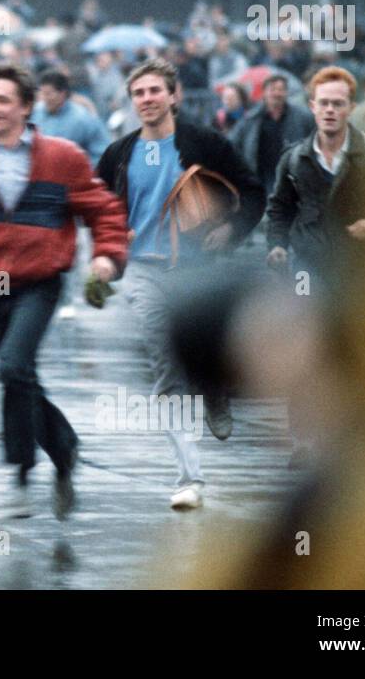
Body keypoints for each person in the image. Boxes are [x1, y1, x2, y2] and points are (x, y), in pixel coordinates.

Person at [0, 64, 129, 518]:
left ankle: (20, 469)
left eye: (2, 101)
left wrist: (106, 256)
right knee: (21, 375)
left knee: (14, 365)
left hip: (42, 281)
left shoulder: (63, 157)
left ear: (26, 107)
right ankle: (65, 447)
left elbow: (104, 211)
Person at [96, 58, 265, 510]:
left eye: (155, 91)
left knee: (207, 354)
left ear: (174, 96)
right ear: (131, 101)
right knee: (167, 366)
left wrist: (231, 231)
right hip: (144, 272)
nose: (147, 100)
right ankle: (190, 479)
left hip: (199, 270)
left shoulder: (205, 144)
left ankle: (216, 391)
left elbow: (252, 190)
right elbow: (98, 208)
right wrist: (110, 244)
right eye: (139, 93)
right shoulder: (118, 154)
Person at [265, 67, 365, 468]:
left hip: (356, 265)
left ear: (351, 108)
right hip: (306, 264)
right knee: (305, 346)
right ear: (312, 107)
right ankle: (304, 441)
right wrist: (277, 245)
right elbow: (279, 207)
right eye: (324, 103)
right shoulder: (295, 158)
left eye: (338, 103)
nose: (330, 110)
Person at [230, 73, 315, 198]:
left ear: (286, 93)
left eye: (281, 90)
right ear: (264, 93)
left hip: (292, 177)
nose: (277, 93)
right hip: (261, 176)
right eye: (272, 89)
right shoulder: (250, 119)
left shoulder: (303, 117)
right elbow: (234, 144)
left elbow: (316, 143)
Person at [31, 69, 110, 165]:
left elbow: (101, 152)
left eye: (48, 94)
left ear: (62, 94)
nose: (44, 98)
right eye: (42, 93)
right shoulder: (35, 113)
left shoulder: (83, 118)